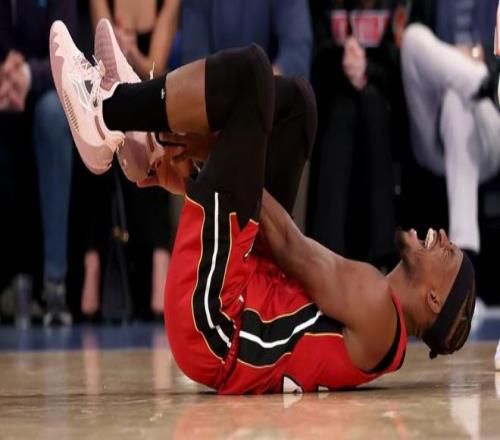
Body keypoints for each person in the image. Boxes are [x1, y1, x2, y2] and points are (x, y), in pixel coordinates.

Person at [50, 20, 476, 394]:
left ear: (434, 299)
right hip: (244, 290)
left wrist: (218, 155)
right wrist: (213, 164)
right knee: (296, 106)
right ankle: (150, 140)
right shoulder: (379, 314)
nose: (443, 238)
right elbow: (283, 250)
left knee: (252, 76)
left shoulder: (379, 308)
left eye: (449, 253)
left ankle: (107, 112)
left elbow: (290, 245)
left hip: (216, 326)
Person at [81, 1, 181, 318]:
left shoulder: (168, 4)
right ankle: (92, 263)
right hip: (109, 94)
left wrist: (132, 54)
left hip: (150, 90)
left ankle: (160, 262)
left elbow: (157, 67)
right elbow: (104, 57)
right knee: (99, 132)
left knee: (150, 124)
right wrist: (120, 54)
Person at [307, 0, 405, 268]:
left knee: (372, 105)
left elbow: (403, 66)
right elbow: (310, 55)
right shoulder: (321, 8)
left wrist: (366, 71)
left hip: (384, 104)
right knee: (342, 111)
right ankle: (326, 261)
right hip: (332, 99)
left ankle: (383, 257)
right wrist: (343, 63)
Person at [401, 0, 500, 262]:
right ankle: (483, 81)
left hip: (490, 122)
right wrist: (460, 61)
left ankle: (463, 260)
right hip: (435, 129)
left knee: (458, 103)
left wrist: (481, 54)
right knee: (413, 38)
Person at [0, 0, 76, 326]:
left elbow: (70, 55)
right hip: (4, 86)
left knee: (53, 114)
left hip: (45, 87)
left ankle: (54, 283)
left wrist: (26, 75)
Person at [181, 0, 312, 78]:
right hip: (214, 103)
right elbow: (193, 61)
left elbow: (297, 51)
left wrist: (261, 91)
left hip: (269, 102)